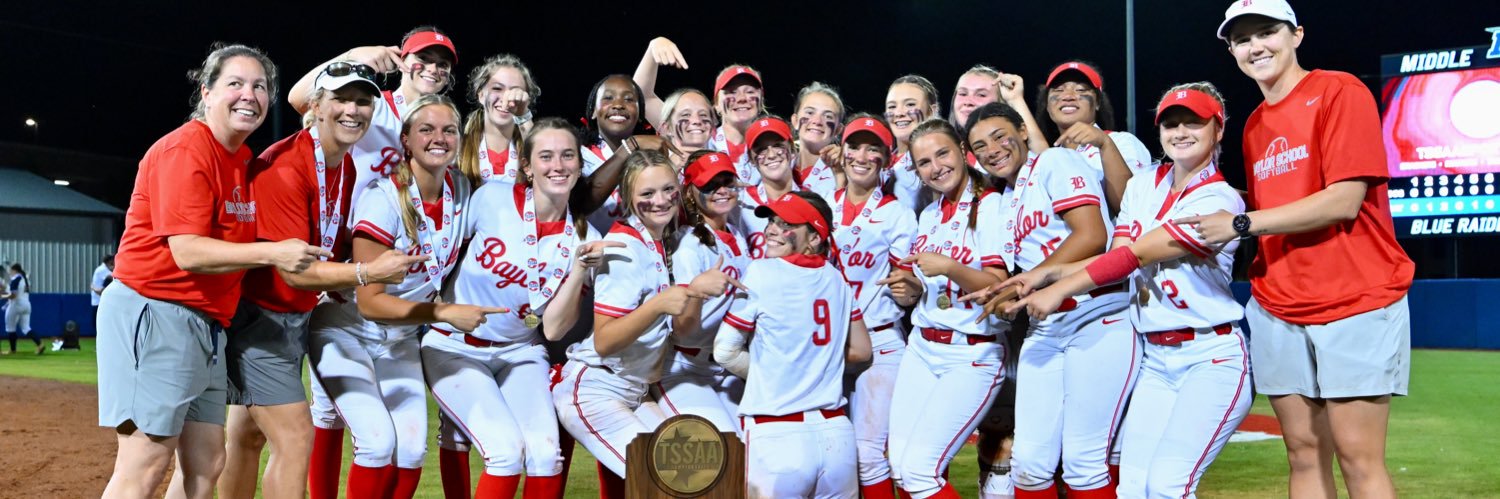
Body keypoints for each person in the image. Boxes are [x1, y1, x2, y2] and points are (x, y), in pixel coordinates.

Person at [1180, 3, 1414, 498]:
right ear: (1232, 51)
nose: (1255, 46)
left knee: (1357, 456)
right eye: (1242, 40)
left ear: (1297, 35)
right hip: (1280, 302)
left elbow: (1344, 201)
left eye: (1267, 32)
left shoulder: (1339, 90)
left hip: (1356, 296)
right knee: (1302, 455)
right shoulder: (1255, 125)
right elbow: (1279, 205)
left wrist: (1239, 223)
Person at [96, 44, 328, 499]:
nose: (249, 95)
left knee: (207, 461)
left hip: (206, 323)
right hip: (156, 310)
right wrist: (273, 254)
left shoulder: (241, 159)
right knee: (145, 461)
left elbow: (314, 106)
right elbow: (187, 252)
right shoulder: (186, 150)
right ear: (206, 92)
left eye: (260, 86)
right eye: (235, 84)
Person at [1005, 84, 1251, 499]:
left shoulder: (1218, 198)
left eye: (1194, 121)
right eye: (1171, 123)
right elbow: (1115, 254)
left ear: (1218, 129)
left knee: (1169, 486)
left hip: (1210, 357)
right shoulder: (1142, 187)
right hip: (1156, 361)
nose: (1181, 130)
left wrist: (1061, 286)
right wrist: (1044, 275)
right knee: (1133, 490)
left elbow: (1135, 255)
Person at [215, 62, 427, 499]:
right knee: (294, 438)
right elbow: (295, 271)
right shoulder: (287, 166)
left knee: (246, 436)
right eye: (341, 99)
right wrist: (367, 273)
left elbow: (327, 240)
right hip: (263, 317)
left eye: (363, 101)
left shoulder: (342, 163)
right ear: (315, 106)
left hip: (289, 314)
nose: (353, 110)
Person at [309, 94, 493, 499]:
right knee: (376, 443)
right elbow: (371, 302)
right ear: (406, 139)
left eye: (449, 130)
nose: (439, 138)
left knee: (410, 451)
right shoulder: (383, 197)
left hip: (401, 336)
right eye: (426, 129)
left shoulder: (462, 190)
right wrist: (443, 313)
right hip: (347, 328)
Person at [426, 118, 615, 499]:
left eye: (567, 156)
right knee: (505, 454)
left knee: (547, 456)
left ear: (580, 166)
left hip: (520, 351)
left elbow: (554, 331)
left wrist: (579, 269)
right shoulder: (491, 198)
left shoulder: (587, 239)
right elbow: (442, 255)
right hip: (455, 346)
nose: (557, 166)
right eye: (545, 157)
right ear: (527, 167)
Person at [962, 101, 1136, 499]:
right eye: (980, 145)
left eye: (999, 136)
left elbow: (1091, 235)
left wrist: (1030, 281)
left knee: (1084, 461)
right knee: (1030, 465)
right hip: (1048, 325)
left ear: (1023, 132)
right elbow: (1028, 272)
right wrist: (1003, 291)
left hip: (1098, 313)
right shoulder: (1005, 198)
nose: (992, 149)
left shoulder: (1054, 161)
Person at [552, 150, 739, 498]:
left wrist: (691, 293)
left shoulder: (657, 240)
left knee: (702, 474)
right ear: (626, 198)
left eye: (667, 190)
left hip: (633, 391)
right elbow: (605, 340)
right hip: (597, 391)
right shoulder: (624, 248)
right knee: (665, 484)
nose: (659, 201)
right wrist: (659, 305)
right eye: (646, 194)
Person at [714, 191, 872, 498]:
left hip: (777, 435)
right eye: (772, 221)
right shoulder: (837, 278)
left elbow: (724, 351)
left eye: (787, 224)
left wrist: (780, 365)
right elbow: (863, 351)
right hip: (837, 435)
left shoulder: (761, 272)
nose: (772, 229)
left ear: (814, 238)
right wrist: (813, 358)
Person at [881, 119, 1009, 499]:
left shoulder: (991, 204)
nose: (935, 166)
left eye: (942, 153)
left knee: (921, 471)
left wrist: (950, 267)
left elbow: (998, 286)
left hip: (971, 352)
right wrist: (913, 287)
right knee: (901, 468)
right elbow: (934, 285)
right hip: (923, 346)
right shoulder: (930, 213)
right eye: (923, 162)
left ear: (962, 150)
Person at [826, 115, 920, 498]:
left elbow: (908, 289)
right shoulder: (822, 204)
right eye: (854, 145)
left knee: (868, 455)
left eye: (873, 149)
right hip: (828, 346)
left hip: (879, 344)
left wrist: (910, 289)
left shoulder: (897, 213)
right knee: (834, 455)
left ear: (886, 158)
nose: (861, 156)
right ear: (842, 150)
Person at [647, 150, 752, 434]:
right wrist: (694, 293)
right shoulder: (690, 244)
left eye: (727, 181)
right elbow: (682, 331)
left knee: (754, 445)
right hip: (684, 367)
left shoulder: (736, 233)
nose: (721, 190)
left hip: (723, 365)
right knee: (721, 447)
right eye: (709, 185)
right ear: (691, 194)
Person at [1033, 60, 1154, 214]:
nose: (1068, 96)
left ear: (1097, 102)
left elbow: (1133, 211)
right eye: (1058, 90)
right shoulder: (1048, 158)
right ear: (1047, 105)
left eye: (1081, 90)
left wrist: (1105, 144)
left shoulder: (1121, 142)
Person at [457, 54, 539, 185]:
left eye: (516, 91)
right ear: (481, 94)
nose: (506, 98)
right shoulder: (457, 149)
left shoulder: (533, 146)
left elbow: (545, 158)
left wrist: (523, 117)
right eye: (497, 88)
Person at [737, 116, 801, 259]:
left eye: (778, 145)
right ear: (751, 159)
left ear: (792, 149)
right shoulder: (739, 203)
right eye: (761, 150)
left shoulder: (811, 202)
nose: (771, 155)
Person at [884, 75, 942, 213]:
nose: (898, 113)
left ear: (932, 111)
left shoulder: (939, 162)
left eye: (910, 104)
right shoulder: (880, 161)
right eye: (892, 106)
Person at [790, 82, 846, 200]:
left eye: (828, 116)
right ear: (795, 121)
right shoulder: (778, 164)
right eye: (810, 112)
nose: (817, 121)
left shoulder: (847, 170)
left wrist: (841, 175)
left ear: (838, 130)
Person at [3, 263, 39, 355]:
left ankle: (13, 350)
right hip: (27, 305)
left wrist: (2, 296)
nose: (9, 273)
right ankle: (40, 344)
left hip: (16, 305)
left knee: (10, 327)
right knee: (26, 328)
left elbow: (13, 295)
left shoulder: (16, 279)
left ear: (14, 270)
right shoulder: (25, 279)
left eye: (11, 271)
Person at [90, 254, 114, 319]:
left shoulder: (101, 269)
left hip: (98, 300)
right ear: (110, 261)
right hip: (99, 301)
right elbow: (115, 277)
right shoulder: (103, 270)